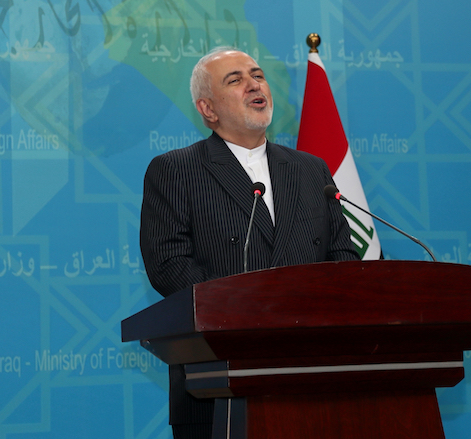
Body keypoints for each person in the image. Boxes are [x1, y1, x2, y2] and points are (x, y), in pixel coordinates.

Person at [139, 47, 360, 439]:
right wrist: (246, 314)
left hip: (312, 376)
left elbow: (342, 256)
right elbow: (169, 265)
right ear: (208, 109)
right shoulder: (176, 169)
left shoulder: (312, 169)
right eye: (235, 80)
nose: (254, 84)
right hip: (218, 378)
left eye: (257, 75)